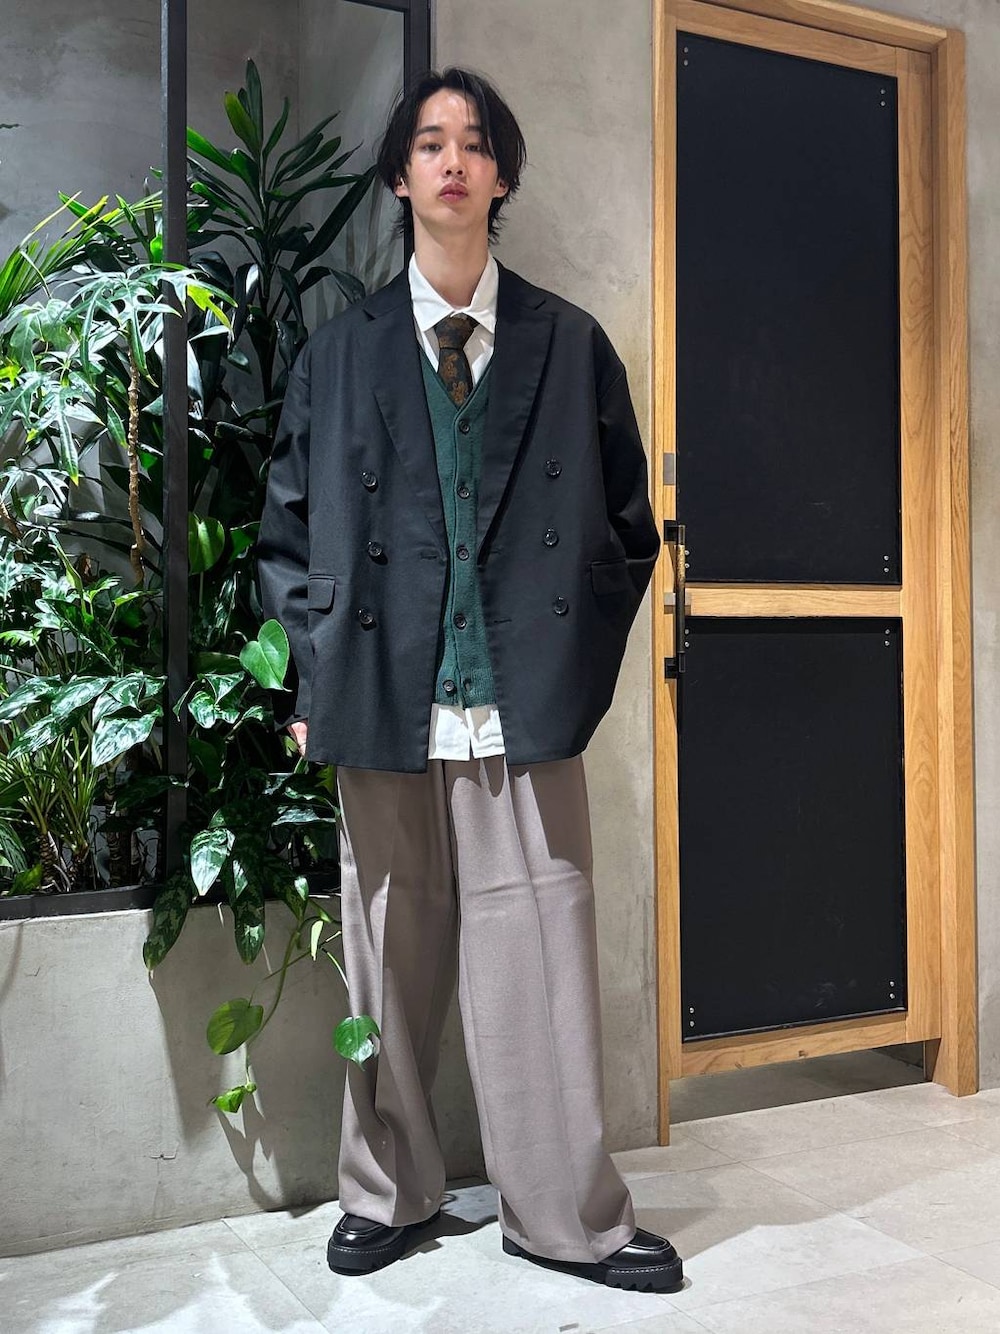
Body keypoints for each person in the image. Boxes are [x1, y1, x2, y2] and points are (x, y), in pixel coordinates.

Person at [257, 66, 682, 1294]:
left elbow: (626, 529)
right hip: (379, 693)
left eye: (475, 142)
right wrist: (310, 683)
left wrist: (570, 667)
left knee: (541, 962)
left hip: (519, 704)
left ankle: (565, 1212)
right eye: (430, 142)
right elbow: (286, 535)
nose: (453, 160)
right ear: (401, 176)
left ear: (502, 175)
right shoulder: (340, 355)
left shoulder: (567, 344)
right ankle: (387, 1190)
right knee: (386, 960)